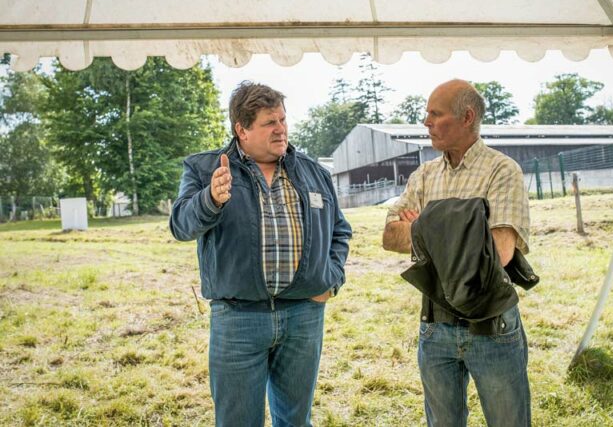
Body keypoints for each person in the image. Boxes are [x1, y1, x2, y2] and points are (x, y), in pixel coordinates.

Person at [169, 81, 352, 427]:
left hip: (303, 315)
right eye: (270, 122)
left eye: (283, 119)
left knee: (296, 421)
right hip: (238, 319)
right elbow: (180, 225)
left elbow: (339, 231)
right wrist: (210, 199)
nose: (281, 128)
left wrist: (332, 278)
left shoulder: (314, 173)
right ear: (242, 129)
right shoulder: (205, 169)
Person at [382, 79, 531, 427]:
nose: (426, 122)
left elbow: (500, 252)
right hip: (435, 325)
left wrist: (422, 226)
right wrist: (463, 228)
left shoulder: (502, 170)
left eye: (435, 114)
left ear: (466, 117)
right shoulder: (424, 175)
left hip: (490, 324)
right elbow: (390, 236)